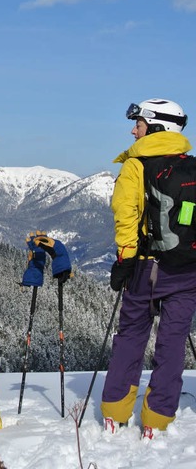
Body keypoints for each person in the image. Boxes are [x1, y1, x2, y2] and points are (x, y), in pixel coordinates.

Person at [103, 98, 195, 440]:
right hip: (187, 270)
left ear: (156, 127)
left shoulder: (136, 166)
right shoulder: (191, 166)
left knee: (131, 337)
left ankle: (115, 412)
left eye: (138, 124)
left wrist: (125, 260)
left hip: (146, 268)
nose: (133, 129)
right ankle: (157, 419)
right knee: (172, 345)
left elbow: (126, 216)